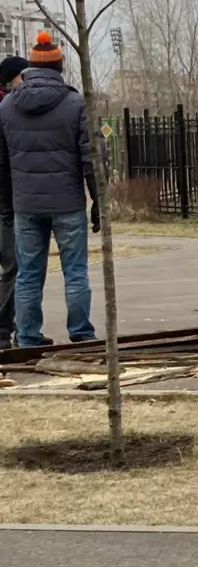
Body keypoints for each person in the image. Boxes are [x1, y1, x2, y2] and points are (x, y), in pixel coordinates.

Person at [0, 32, 100, 348]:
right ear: (59, 66)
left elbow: (1, 164)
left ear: (30, 67)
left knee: (28, 273)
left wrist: (6, 204)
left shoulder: (7, 107)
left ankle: (28, 336)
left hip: (26, 205)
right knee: (75, 271)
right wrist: (99, 200)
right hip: (67, 201)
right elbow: (92, 158)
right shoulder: (75, 104)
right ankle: (82, 333)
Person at [0, 55, 28, 349]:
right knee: (13, 265)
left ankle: (14, 328)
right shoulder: (6, 109)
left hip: (10, 201)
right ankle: (4, 329)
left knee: (15, 266)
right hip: (5, 203)